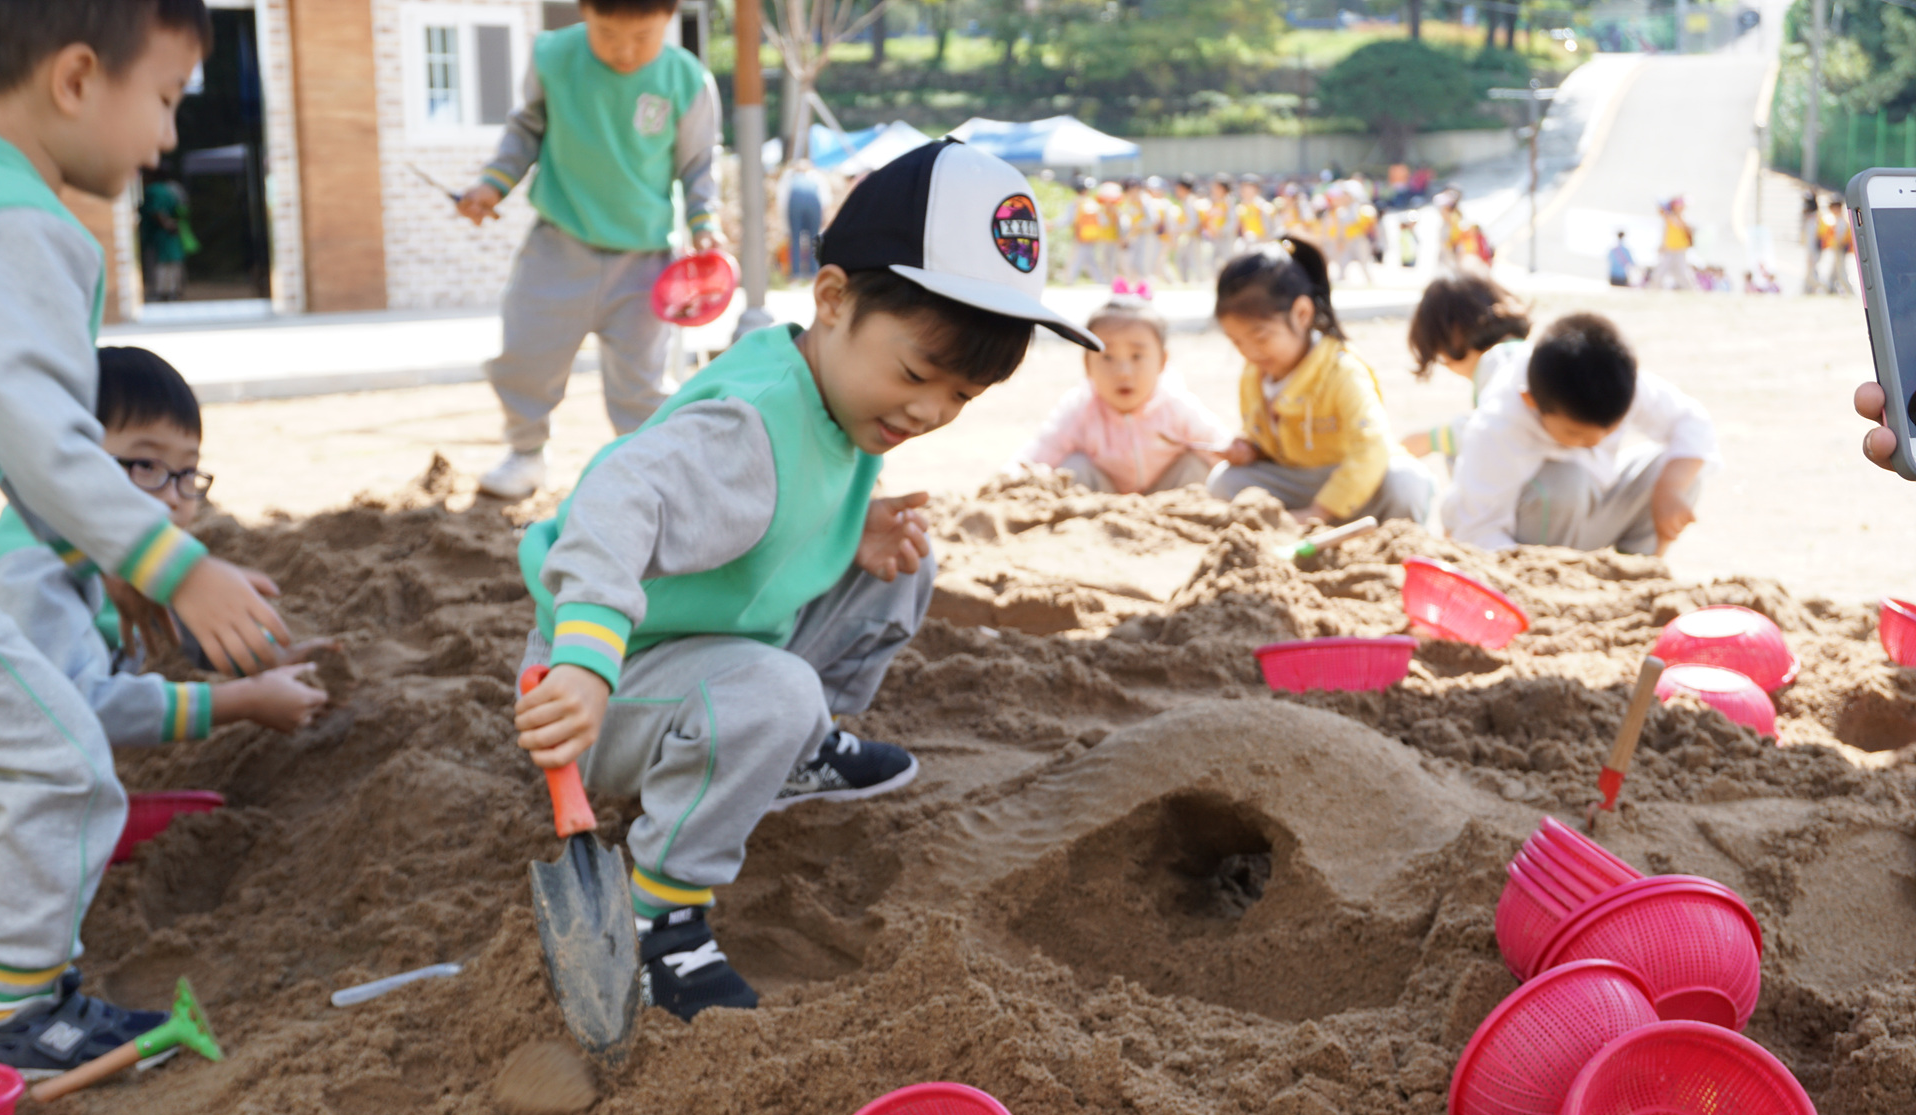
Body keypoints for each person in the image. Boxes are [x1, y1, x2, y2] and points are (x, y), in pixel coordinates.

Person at [511, 140, 1101, 1019]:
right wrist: (587, 665)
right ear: (833, 299)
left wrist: (848, 527)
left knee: (903, 559)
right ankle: (658, 921)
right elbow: (614, 497)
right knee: (778, 692)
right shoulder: (746, 426)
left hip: (708, 647)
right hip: (602, 686)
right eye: (915, 374)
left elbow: (787, 499)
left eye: (962, 397)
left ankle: (786, 753)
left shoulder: (836, 393)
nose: (929, 412)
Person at [0, 0, 291, 1072]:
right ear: (78, 79)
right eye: (166, 97)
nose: (170, 135)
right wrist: (177, 567)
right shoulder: (16, 224)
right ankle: (25, 1010)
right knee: (61, 755)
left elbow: (12, 429)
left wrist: (101, 553)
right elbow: (45, 437)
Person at [0, 347, 329, 751]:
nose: (175, 497)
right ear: (69, 463)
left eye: (187, 473)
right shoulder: (29, 571)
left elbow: (170, 626)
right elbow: (65, 711)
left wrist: (263, 661)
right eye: (146, 466)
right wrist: (237, 702)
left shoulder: (125, 554)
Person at [458, 0, 724, 501]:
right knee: (524, 356)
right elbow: (525, 129)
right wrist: (493, 184)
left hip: (646, 262)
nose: (624, 51)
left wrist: (704, 227)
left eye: (643, 37)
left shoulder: (686, 79)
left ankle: (646, 470)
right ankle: (526, 454)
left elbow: (698, 166)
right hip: (558, 247)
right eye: (607, 33)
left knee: (643, 382)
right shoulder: (554, 56)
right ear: (582, 11)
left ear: (669, 18)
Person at [1438, 313, 1717, 556]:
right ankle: (1556, 577)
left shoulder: (1613, 379)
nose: (1595, 442)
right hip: (1531, 540)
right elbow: (1476, 530)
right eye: (1576, 434)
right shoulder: (1498, 424)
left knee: (1676, 466)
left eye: (1611, 429)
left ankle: (1633, 577)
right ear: (1531, 402)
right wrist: (1531, 575)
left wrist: (1670, 490)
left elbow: (1692, 422)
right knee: (1565, 481)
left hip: (1593, 513)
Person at [1204, 239, 1435, 524]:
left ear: (1302, 314)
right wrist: (1249, 449)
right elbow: (1267, 438)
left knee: (1405, 481)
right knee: (1224, 482)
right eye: (1237, 341)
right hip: (1298, 483)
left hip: (1352, 485)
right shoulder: (1254, 374)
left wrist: (1319, 513)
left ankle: (1389, 542)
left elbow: (1372, 445)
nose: (1249, 352)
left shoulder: (1342, 370)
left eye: (1260, 337)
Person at [1015, 298, 1229, 494]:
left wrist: (1240, 458)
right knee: (1074, 467)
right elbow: (1042, 450)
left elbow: (1219, 444)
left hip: (1167, 495)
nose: (1123, 371)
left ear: (1162, 361)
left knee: (1196, 466)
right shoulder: (1081, 407)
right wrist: (1012, 476)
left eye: (1137, 356)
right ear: (1087, 365)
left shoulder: (1175, 404)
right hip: (1103, 499)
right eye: (1107, 357)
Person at [1401, 273, 1534, 466]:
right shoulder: (1521, 352)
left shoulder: (1498, 361)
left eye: (1440, 355)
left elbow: (1495, 430)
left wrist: (1430, 440)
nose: (1445, 363)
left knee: (1457, 453)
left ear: (1455, 333)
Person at [138, 169, 193, 301]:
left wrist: (166, 224)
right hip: (173, 231)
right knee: (173, 260)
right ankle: (173, 290)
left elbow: (156, 211)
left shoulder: (153, 190)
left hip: (158, 233)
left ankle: (160, 291)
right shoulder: (173, 189)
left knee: (159, 262)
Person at [780, 158, 831, 281]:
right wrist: (824, 217)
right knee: (814, 239)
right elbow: (825, 199)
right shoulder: (817, 177)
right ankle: (813, 273)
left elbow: (782, 200)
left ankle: (796, 274)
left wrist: (784, 223)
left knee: (795, 238)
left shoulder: (789, 179)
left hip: (794, 205)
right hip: (814, 207)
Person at [1655, 197, 1696, 290]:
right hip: (1670, 249)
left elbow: (1682, 226)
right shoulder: (1670, 218)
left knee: (1682, 273)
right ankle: (1654, 288)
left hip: (1680, 250)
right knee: (1662, 271)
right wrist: (1663, 246)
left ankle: (1691, 290)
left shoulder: (1681, 218)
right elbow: (1666, 233)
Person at [1823, 198, 1857, 296]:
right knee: (1834, 272)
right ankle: (1830, 290)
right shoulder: (1839, 220)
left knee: (1842, 272)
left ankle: (1851, 292)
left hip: (1840, 249)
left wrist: (1837, 245)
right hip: (1838, 248)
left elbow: (1841, 238)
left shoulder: (1842, 221)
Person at [1802, 190, 1826, 295]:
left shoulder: (1815, 218)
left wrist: (1812, 252)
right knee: (1810, 271)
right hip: (1811, 249)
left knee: (1812, 271)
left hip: (1815, 249)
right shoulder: (1810, 218)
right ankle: (1808, 290)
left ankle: (1822, 287)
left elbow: (1815, 237)